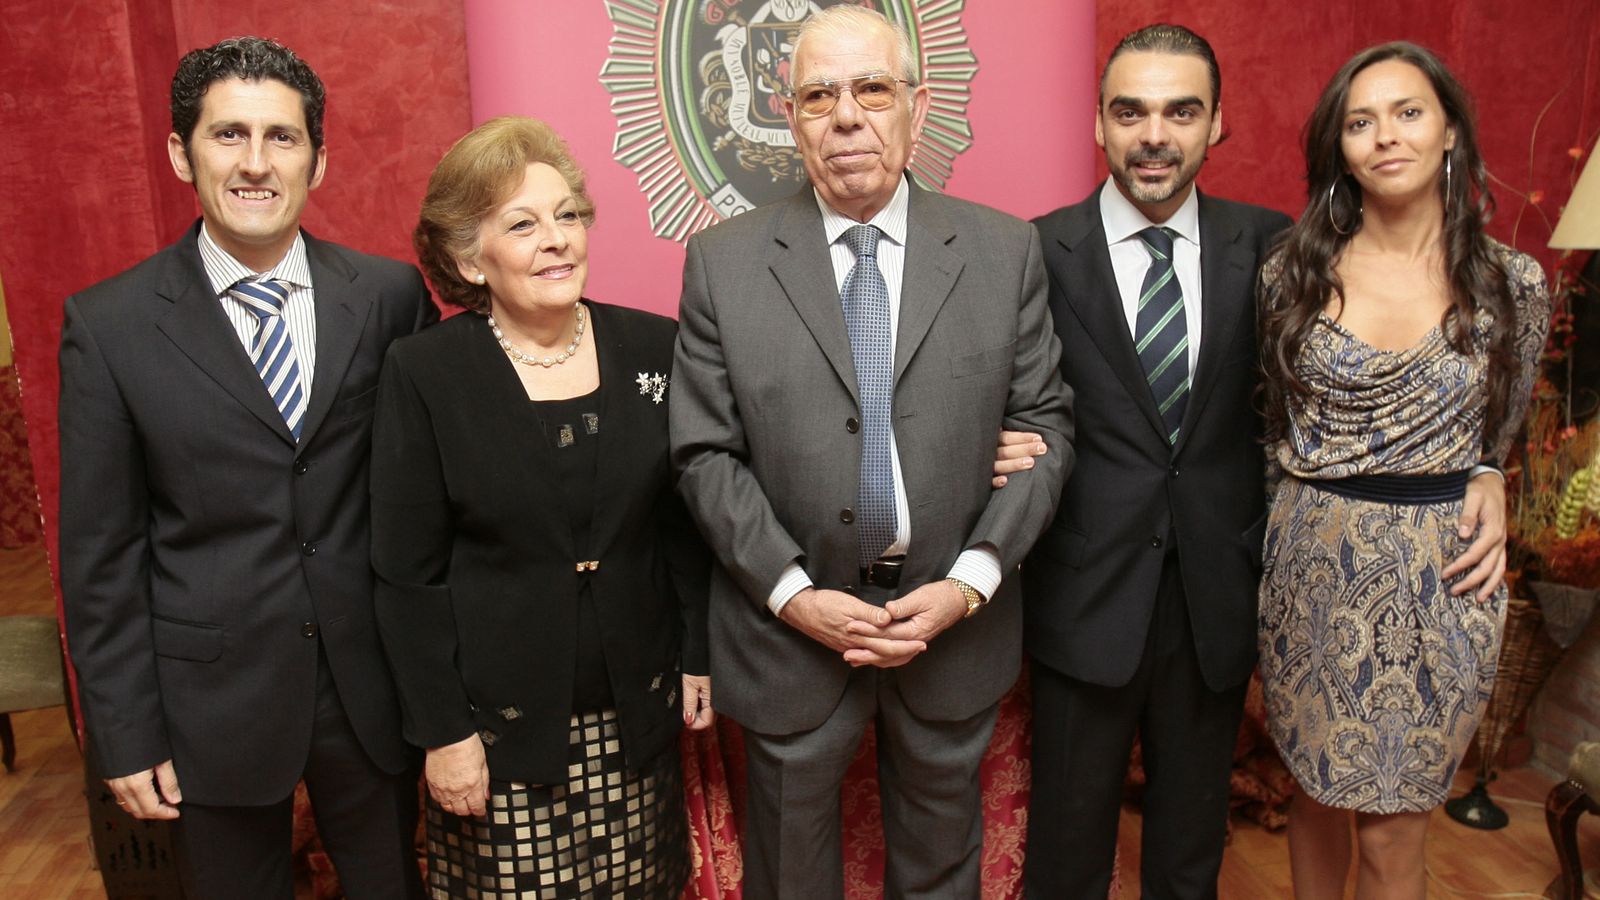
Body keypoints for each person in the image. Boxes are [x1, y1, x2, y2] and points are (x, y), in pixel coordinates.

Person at [669, 6, 1073, 898]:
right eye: (819, 94)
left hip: (951, 633)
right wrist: (793, 594)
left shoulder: (1005, 251)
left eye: (872, 89)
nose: (846, 115)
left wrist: (969, 581)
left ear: (916, 107)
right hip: (790, 641)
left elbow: (1046, 431)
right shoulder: (722, 263)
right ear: (788, 113)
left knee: (941, 877)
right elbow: (704, 456)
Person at [58, 37, 436, 898]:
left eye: (282, 137)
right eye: (229, 135)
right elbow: (101, 556)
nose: (256, 163)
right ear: (179, 154)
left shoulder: (387, 298)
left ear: (319, 158)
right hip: (208, 707)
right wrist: (122, 731)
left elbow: (422, 506)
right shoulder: (110, 328)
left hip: (369, 691)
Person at [370, 116, 713, 900]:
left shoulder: (653, 348)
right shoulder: (426, 373)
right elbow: (404, 576)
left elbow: (682, 529)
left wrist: (697, 654)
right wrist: (445, 733)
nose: (556, 239)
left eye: (566, 216)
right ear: (467, 257)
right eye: (522, 224)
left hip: (635, 718)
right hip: (499, 735)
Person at [1256, 42, 1548, 899]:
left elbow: (1503, 424)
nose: (1385, 136)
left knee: (1393, 830)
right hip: (1313, 565)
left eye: (1408, 112)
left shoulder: (1510, 283)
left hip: (1444, 576)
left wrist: (1489, 474)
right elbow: (1266, 422)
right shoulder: (1290, 275)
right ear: (1339, 148)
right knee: (1312, 799)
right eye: (1359, 121)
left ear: (1450, 129)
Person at [1016, 26, 1292, 897]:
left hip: (1214, 598)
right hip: (1082, 593)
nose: (1154, 135)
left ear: (1219, 126)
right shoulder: (1032, 251)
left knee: (1188, 855)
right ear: (1098, 124)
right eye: (1129, 111)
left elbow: (1331, 392)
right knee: (1066, 852)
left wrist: (1476, 470)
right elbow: (985, 387)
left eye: (1182, 111)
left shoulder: (1275, 246)